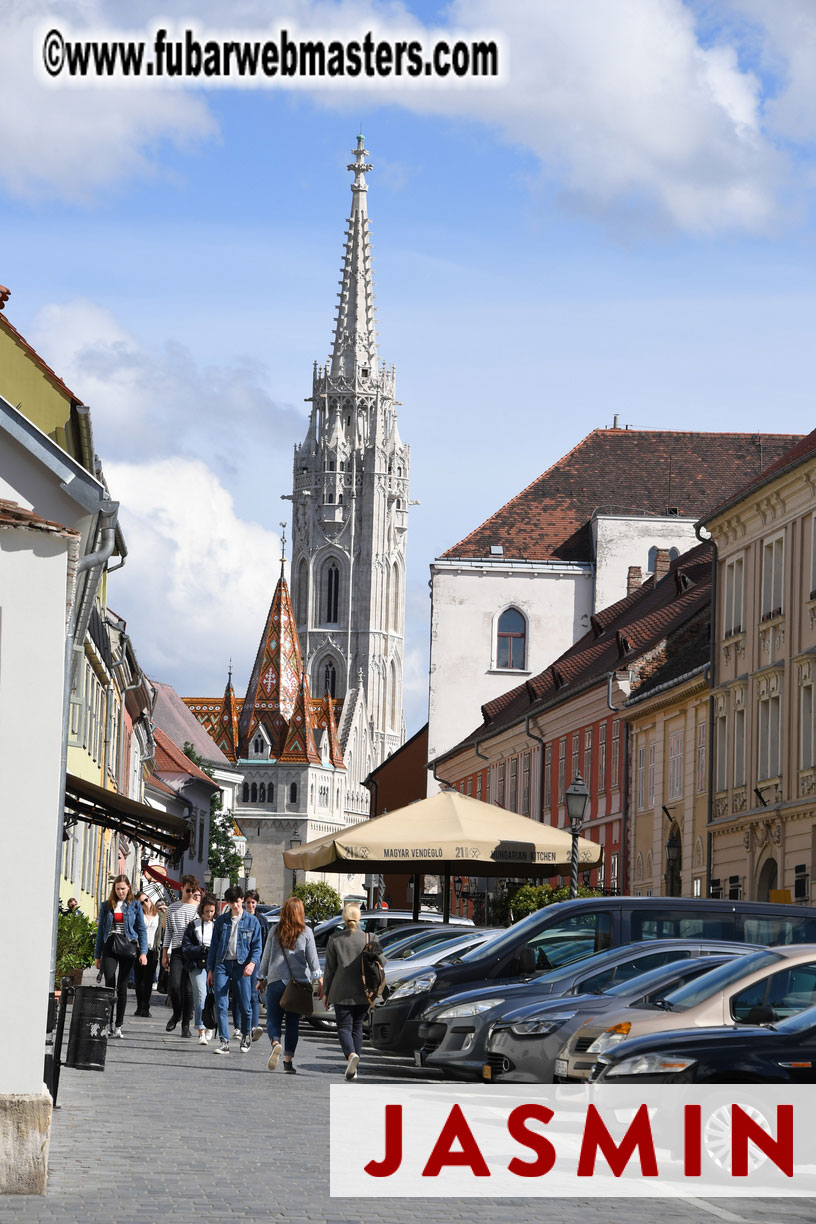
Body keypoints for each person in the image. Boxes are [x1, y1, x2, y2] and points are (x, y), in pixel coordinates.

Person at [258, 896, 321, 1075]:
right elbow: (313, 959)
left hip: (277, 980)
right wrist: (318, 978)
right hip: (298, 984)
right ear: (301, 913)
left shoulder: (275, 930)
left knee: (273, 1019)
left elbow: (266, 956)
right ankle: (288, 1061)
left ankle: (275, 1043)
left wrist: (261, 978)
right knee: (293, 1022)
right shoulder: (307, 932)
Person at [323, 902, 384, 1080]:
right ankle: (354, 1066)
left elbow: (330, 970)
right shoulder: (370, 938)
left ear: (344, 917)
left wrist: (326, 991)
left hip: (340, 990)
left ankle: (351, 1056)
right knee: (357, 1027)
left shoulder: (335, 939)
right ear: (359, 918)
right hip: (364, 991)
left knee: (344, 1027)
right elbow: (383, 962)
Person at [206, 885, 262, 1055]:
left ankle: (246, 1035)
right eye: (232, 903)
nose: (235, 906)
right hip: (222, 964)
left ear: (242, 900)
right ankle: (224, 1042)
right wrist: (210, 969)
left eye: (237, 902)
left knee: (245, 1005)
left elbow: (257, 946)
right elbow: (214, 947)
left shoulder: (252, 921)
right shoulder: (222, 921)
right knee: (221, 1004)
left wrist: (252, 963)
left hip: (242, 965)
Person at [93, 874, 148, 1038]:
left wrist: (143, 952)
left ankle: (119, 1025)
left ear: (129, 888)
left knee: (123, 986)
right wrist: (97, 956)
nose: (120, 892)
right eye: (117, 889)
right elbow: (101, 931)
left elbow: (141, 930)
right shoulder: (107, 906)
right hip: (110, 945)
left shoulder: (135, 906)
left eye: (123, 888)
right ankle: (107, 1023)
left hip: (128, 946)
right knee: (110, 983)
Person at [161, 874, 199, 1037]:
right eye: (188, 890)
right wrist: (164, 954)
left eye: (193, 891)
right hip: (177, 951)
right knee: (175, 986)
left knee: (189, 991)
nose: (191, 893)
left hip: (193, 952)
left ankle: (185, 1025)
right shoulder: (172, 908)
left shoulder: (198, 908)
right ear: (182, 888)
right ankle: (177, 1014)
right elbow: (168, 932)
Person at [182, 893, 217, 1044]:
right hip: (196, 964)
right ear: (201, 910)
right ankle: (201, 1030)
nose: (209, 914)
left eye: (212, 911)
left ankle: (211, 1024)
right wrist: (201, 950)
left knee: (214, 997)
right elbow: (186, 947)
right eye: (207, 911)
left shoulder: (218, 925)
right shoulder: (193, 925)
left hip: (213, 965)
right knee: (200, 996)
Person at [233, 889, 264, 1042]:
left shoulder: (261, 920)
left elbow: (262, 945)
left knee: (252, 994)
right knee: (239, 994)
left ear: (256, 903)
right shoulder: (240, 918)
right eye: (248, 902)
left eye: (253, 902)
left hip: (255, 962)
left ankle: (254, 1026)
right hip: (240, 961)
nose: (250, 905)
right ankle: (238, 1026)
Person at [134, 892, 161, 1017]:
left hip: (153, 950)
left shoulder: (159, 915)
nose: (145, 903)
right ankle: (140, 1005)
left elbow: (164, 931)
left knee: (149, 979)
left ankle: (146, 1006)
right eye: (141, 902)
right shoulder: (137, 915)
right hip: (139, 949)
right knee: (139, 979)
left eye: (146, 899)